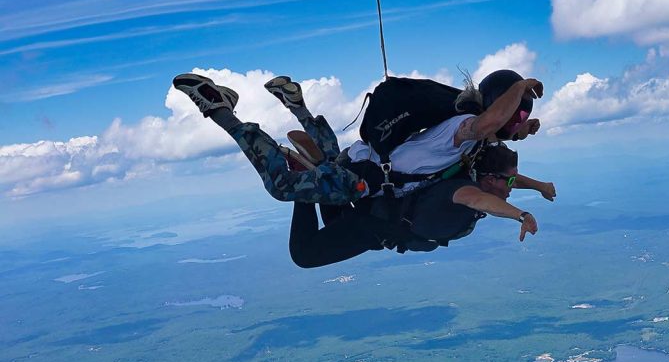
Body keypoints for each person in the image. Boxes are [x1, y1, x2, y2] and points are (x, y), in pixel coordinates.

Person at [171, 69, 542, 205]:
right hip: (367, 180)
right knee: (283, 185)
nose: (519, 121)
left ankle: (297, 106)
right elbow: (491, 123)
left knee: (329, 162)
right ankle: (220, 109)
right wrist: (521, 85)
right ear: (498, 106)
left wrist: (527, 138)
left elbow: (499, 136)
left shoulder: (472, 133)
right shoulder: (463, 129)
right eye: (518, 112)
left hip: (365, 161)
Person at [288, 142, 554, 268]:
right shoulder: (463, 190)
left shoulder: (465, 172)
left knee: (334, 223)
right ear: (489, 178)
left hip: (371, 213)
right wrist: (521, 215)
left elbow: (505, 181)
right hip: (375, 226)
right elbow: (482, 200)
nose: (511, 186)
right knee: (305, 255)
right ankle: (304, 182)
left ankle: (321, 168)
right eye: (508, 181)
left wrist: (539, 186)